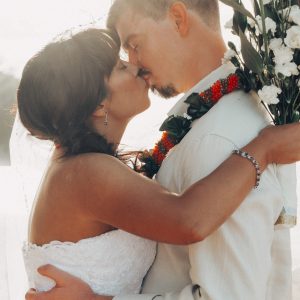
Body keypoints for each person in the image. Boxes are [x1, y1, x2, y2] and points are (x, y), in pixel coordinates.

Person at [25, 1, 300, 300]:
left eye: (133, 46)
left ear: (179, 18)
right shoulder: (83, 171)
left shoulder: (216, 134)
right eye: (120, 65)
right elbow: (187, 219)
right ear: (97, 104)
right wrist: (266, 147)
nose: (134, 65)